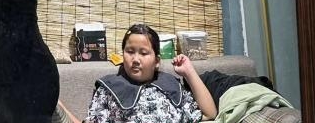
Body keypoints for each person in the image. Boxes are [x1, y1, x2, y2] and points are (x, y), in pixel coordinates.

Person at [64, 23, 217, 123]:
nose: (136, 59)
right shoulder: (109, 89)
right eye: (130, 51)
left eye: (144, 53)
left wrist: (189, 72)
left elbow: (210, 114)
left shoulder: (171, 86)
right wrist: (60, 107)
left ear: (157, 61)